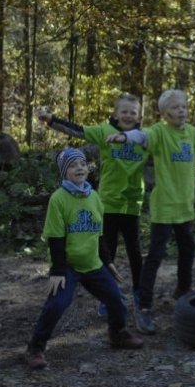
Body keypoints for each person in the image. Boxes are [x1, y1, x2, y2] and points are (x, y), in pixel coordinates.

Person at [25, 148, 144, 369]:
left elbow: (99, 236)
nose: (79, 168)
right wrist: (57, 270)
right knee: (57, 304)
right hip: (68, 266)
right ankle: (35, 348)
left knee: (116, 299)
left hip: (92, 264)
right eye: (72, 165)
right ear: (64, 172)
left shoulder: (94, 197)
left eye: (82, 163)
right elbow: (55, 237)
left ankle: (117, 334)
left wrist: (108, 262)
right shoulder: (58, 199)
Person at [106, 89, 195, 334]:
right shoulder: (160, 132)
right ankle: (143, 306)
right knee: (155, 256)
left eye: (183, 106)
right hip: (164, 206)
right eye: (175, 107)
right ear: (164, 113)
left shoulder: (191, 133)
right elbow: (142, 136)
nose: (181, 111)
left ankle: (183, 289)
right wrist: (124, 137)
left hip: (185, 206)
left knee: (188, 248)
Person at [37, 94, 150, 319]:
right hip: (107, 203)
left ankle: (139, 293)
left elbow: (169, 150)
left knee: (135, 253)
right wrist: (52, 120)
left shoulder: (146, 139)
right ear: (116, 114)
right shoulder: (104, 131)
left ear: (139, 116)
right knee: (107, 251)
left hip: (131, 204)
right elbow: (78, 130)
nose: (128, 116)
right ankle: (108, 297)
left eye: (133, 112)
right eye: (124, 111)